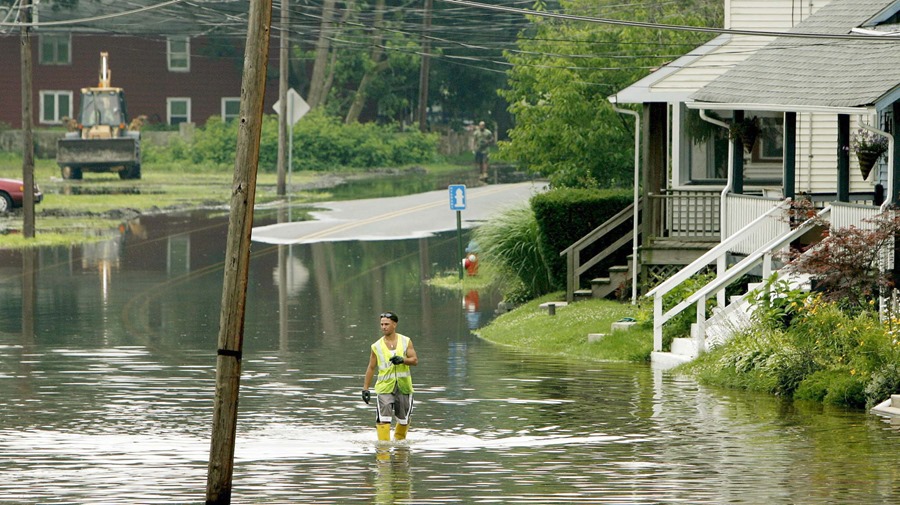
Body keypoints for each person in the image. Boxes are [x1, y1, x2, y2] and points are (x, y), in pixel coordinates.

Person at [362, 311, 419, 442]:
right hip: (384, 388)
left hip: (404, 387)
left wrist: (403, 360)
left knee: (403, 420)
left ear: (394, 324)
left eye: (386, 324)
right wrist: (365, 388)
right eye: (381, 324)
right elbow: (371, 367)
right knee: (383, 420)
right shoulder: (376, 346)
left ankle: (400, 449)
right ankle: (383, 453)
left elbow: (415, 360)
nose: (383, 327)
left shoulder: (406, 341)